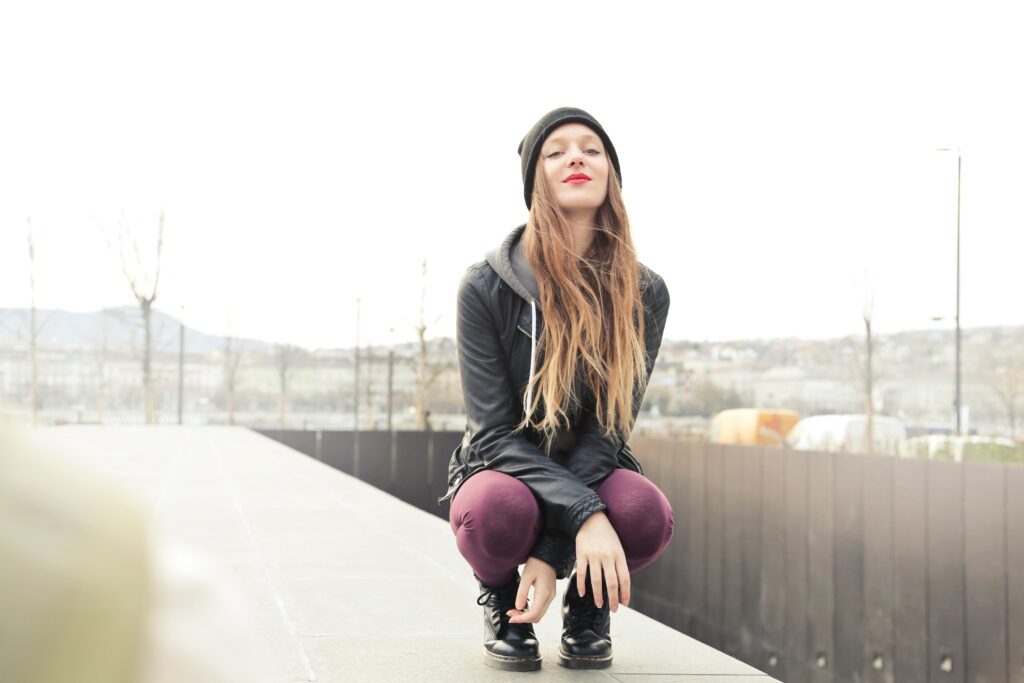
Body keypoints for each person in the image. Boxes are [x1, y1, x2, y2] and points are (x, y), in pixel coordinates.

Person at [437, 107, 674, 671]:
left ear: (610, 175)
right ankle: (501, 599)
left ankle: (589, 603)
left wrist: (552, 551)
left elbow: (609, 430)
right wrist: (586, 516)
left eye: (591, 150)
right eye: (556, 151)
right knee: (492, 510)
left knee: (644, 513)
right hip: (504, 469)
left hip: (588, 462)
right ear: (535, 179)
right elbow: (492, 435)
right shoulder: (485, 286)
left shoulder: (644, 292)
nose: (576, 157)